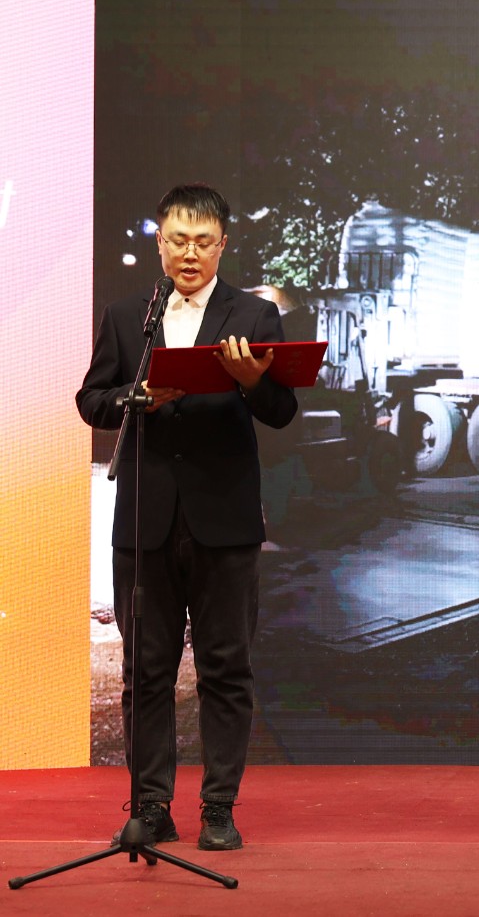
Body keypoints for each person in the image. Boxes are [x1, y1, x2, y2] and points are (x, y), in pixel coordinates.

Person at [77, 184, 299, 851]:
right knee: (145, 671)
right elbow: (91, 399)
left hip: (224, 520)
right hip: (144, 521)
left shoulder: (254, 315)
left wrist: (252, 380)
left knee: (225, 668)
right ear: (161, 243)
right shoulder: (129, 316)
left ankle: (218, 809)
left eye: (203, 241)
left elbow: (281, 410)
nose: (190, 253)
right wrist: (136, 395)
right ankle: (150, 807)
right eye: (178, 240)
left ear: (223, 245)